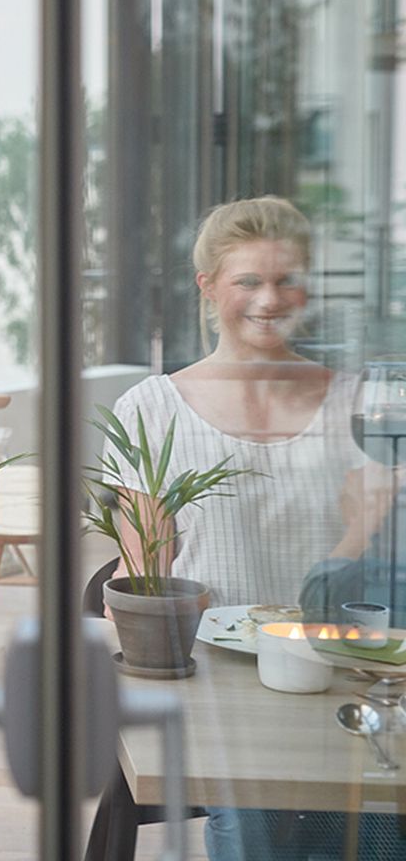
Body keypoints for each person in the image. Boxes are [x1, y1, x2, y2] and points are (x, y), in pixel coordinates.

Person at [104, 195, 401, 861]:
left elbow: (378, 585)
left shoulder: (359, 405)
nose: (271, 298)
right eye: (249, 281)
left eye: (287, 278)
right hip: (219, 689)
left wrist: (372, 532)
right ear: (208, 287)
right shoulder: (152, 410)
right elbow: (140, 584)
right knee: (266, 830)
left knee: (377, 828)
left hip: (340, 677)